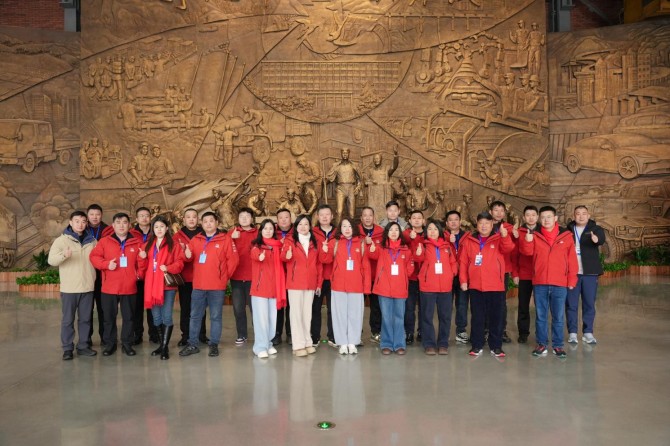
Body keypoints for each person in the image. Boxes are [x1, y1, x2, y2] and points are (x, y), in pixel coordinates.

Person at [519, 206, 578, 358]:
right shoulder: (535, 235)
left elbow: (572, 259)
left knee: (558, 316)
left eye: (549, 217)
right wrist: (528, 241)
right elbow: (527, 253)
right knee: (541, 316)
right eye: (543, 217)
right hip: (540, 282)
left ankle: (558, 346)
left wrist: (572, 279)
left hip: (560, 283)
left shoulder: (566, 236)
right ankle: (542, 344)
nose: (546, 220)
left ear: (555, 218)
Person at [179, 212, 239, 358]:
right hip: (198, 286)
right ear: (202, 224)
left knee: (215, 317)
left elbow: (233, 260)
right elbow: (187, 257)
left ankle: (214, 344)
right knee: (195, 316)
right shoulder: (196, 239)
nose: (208, 224)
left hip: (216, 286)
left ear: (217, 223)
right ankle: (193, 344)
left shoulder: (225, 239)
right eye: (205, 221)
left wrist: (223, 277)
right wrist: (186, 254)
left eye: (211, 221)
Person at [459, 212, 515, 357]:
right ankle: (476, 345)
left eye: (487, 223)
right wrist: (463, 280)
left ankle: (496, 346)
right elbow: (463, 262)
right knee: (477, 317)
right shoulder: (469, 240)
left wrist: (504, 236)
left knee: (496, 318)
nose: (484, 226)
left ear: (492, 225)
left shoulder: (499, 238)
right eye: (481, 223)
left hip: (496, 285)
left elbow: (508, 248)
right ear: (477, 225)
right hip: (476, 285)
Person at [89, 212, 142, 357]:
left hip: (129, 287)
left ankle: (127, 344)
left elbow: (142, 264)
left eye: (124, 222)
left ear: (129, 225)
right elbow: (94, 257)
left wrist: (137, 274)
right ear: (113, 225)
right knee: (108, 318)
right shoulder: (104, 241)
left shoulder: (136, 242)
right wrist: (106, 264)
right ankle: (110, 344)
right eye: (118, 222)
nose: (121, 225)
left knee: (129, 318)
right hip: (109, 287)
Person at [49, 211, 98, 360]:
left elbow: (99, 259)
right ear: (70, 222)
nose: (80, 224)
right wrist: (64, 255)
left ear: (86, 223)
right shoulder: (61, 241)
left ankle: (83, 346)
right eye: (77, 221)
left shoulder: (92, 241)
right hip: (69, 288)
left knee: (85, 319)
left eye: (83, 221)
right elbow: (51, 260)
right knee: (68, 320)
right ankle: (67, 348)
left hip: (87, 287)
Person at [138, 216, 185, 360]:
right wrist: (142, 257)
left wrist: (168, 268)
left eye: (162, 226)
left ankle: (164, 348)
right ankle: (162, 345)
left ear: (167, 228)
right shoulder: (147, 245)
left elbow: (180, 263)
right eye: (156, 227)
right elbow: (142, 268)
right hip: (152, 286)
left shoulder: (174, 245)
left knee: (166, 316)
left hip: (167, 286)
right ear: (153, 229)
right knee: (156, 317)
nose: (159, 229)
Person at [321, 217, 369, 355]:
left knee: (355, 315)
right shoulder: (334, 242)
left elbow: (366, 266)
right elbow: (325, 260)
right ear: (339, 229)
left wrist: (366, 287)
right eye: (344, 226)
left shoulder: (361, 243)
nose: (347, 229)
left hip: (356, 285)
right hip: (338, 285)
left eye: (349, 226)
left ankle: (353, 342)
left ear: (354, 228)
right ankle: (342, 342)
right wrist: (324, 250)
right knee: (339, 315)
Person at [367, 222, 415, 355]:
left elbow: (410, 268)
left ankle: (399, 344)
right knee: (386, 317)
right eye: (391, 230)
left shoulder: (406, 250)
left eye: (396, 230)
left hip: (400, 288)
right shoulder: (381, 249)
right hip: (384, 288)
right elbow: (371, 255)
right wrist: (370, 247)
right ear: (386, 233)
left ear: (400, 233)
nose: (394, 232)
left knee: (399, 317)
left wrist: (404, 274)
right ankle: (386, 343)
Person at [414, 220, 458, 355]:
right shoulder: (423, 245)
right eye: (429, 229)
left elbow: (453, 262)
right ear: (426, 232)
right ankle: (429, 344)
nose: (432, 232)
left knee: (445, 317)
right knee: (426, 316)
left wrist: (451, 274)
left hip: (445, 287)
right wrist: (418, 253)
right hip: (428, 286)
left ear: (440, 231)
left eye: (435, 229)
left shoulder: (447, 247)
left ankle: (443, 343)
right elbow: (418, 260)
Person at [282, 215, 323, 357]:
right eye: (300, 224)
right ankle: (298, 345)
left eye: (306, 224)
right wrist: (286, 255)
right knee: (296, 314)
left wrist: (318, 283)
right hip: (295, 283)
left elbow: (319, 265)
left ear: (310, 226)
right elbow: (283, 257)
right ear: (296, 227)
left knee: (307, 314)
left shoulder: (315, 242)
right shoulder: (289, 241)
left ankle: (307, 342)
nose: (303, 227)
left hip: (310, 283)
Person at [566, 205, 605, 345]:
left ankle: (588, 332)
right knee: (571, 304)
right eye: (578, 214)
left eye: (584, 213)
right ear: (574, 216)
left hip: (589, 273)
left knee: (589, 303)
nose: (581, 216)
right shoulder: (568, 230)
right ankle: (572, 333)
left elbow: (601, 239)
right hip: (572, 273)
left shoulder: (596, 229)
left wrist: (596, 240)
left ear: (588, 216)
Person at [250, 220, 286, 358]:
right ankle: (259, 347)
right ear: (261, 231)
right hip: (260, 290)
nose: (268, 231)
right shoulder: (256, 246)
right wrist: (259, 257)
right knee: (261, 319)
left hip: (274, 289)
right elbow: (254, 255)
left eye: (271, 228)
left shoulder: (277, 246)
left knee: (272, 318)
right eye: (265, 228)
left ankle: (268, 344)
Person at [173, 208, 208, 346]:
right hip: (185, 278)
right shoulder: (177, 237)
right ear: (184, 219)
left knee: (201, 308)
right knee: (186, 308)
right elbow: (174, 256)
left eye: (194, 217)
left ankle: (201, 334)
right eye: (188, 217)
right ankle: (186, 336)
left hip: (201, 277)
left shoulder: (204, 234)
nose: (191, 219)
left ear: (198, 219)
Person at [130, 207, 159, 345]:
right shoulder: (131, 234)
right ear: (136, 219)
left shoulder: (157, 232)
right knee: (137, 307)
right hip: (137, 276)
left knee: (153, 306)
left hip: (153, 275)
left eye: (147, 215)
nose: (144, 218)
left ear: (151, 217)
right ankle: (137, 334)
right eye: (141, 216)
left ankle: (154, 334)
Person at [489, 200, 518, 344]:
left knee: (501, 302)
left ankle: (501, 330)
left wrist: (514, 272)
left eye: (502, 211)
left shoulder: (509, 228)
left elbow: (513, 251)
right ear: (490, 212)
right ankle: (486, 330)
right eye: (496, 210)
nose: (499, 213)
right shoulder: (484, 226)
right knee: (486, 301)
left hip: (503, 271)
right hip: (487, 269)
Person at [85, 204, 114, 347]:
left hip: (103, 276)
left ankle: (105, 337)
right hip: (87, 274)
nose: (95, 217)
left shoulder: (109, 231)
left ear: (101, 215)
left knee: (104, 309)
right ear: (87, 215)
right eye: (92, 214)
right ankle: (86, 338)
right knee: (87, 309)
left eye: (97, 214)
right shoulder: (81, 230)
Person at [229, 208, 258, 345]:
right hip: (236, 277)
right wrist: (231, 239)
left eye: (247, 216)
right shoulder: (232, 233)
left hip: (254, 277)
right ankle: (242, 334)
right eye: (241, 216)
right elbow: (225, 250)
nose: (245, 218)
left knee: (255, 309)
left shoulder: (258, 233)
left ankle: (259, 334)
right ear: (238, 218)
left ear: (252, 219)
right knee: (238, 308)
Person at [311, 205, 337, 347]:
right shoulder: (312, 233)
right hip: (317, 277)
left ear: (332, 216)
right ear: (317, 217)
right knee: (315, 308)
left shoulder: (338, 233)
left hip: (334, 276)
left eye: (327, 214)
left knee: (333, 309)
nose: (325, 217)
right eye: (322, 214)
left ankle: (333, 336)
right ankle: (314, 337)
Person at [358, 207, 384, 344]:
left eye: (370, 215)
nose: (367, 218)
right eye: (365, 215)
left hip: (376, 276)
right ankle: (357, 333)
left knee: (376, 307)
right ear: (361, 218)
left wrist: (374, 248)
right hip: (360, 276)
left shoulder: (381, 232)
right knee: (358, 306)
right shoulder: (355, 232)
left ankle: (376, 332)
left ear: (374, 217)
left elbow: (384, 253)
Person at [446, 210, 471, 344]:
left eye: (456, 219)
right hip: (448, 275)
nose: (454, 222)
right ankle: (445, 331)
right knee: (446, 305)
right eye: (451, 220)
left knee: (462, 304)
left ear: (460, 221)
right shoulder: (442, 236)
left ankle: (461, 331)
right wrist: (447, 241)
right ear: (447, 223)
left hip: (463, 275)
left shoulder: (467, 236)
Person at [515, 205, 538, 344]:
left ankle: (540, 334)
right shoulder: (519, 233)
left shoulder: (543, 231)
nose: (530, 217)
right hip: (524, 274)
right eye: (528, 215)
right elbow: (515, 255)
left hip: (540, 274)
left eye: (533, 215)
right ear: (524, 217)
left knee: (541, 307)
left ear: (537, 216)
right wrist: (515, 273)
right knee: (523, 306)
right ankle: (523, 333)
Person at [402, 210, 425, 345]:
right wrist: (410, 238)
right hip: (410, 277)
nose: (416, 220)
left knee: (424, 307)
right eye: (414, 218)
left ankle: (422, 331)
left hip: (425, 277)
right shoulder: (405, 234)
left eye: (419, 218)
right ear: (409, 221)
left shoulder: (429, 233)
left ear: (423, 221)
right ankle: (409, 332)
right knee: (409, 307)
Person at [272, 208, 293, 346]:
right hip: (277, 276)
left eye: (286, 217)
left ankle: (291, 333)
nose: (284, 220)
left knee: (291, 307)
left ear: (291, 219)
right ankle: (277, 333)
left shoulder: (297, 232)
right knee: (278, 306)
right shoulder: (272, 233)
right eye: (281, 218)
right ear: (277, 220)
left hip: (292, 276)